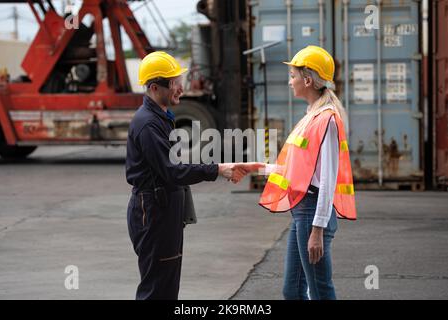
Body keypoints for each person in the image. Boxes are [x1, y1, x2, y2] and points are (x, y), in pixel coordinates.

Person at [125, 51, 262, 300]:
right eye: (175, 83)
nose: (181, 88)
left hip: (163, 210)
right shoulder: (147, 124)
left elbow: (174, 165)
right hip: (154, 213)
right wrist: (218, 169)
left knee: (166, 286)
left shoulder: (161, 117)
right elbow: (172, 171)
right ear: (156, 87)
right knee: (157, 289)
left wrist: (220, 166)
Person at [259, 45, 357, 300]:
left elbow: (327, 181)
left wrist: (317, 230)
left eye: (293, 76)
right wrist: (253, 168)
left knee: (320, 290)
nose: (290, 82)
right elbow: (296, 169)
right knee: (292, 291)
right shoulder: (311, 116)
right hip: (302, 212)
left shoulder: (327, 120)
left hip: (313, 215)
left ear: (308, 79)